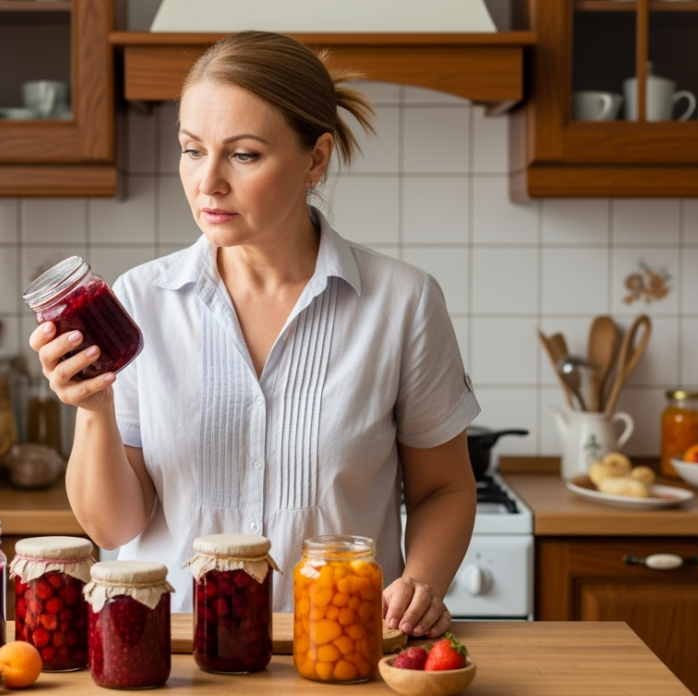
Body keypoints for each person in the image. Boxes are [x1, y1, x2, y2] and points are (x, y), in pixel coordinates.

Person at [30, 31, 479, 639]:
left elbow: (445, 488)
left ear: (315, 159)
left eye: (243, 155)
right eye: (192, 150)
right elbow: (113, 530)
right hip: (169, 655)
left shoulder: (403, 303)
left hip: (340, 647)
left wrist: (421, 583)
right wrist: (92, 409)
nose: (207, 181)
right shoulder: (137, 302)